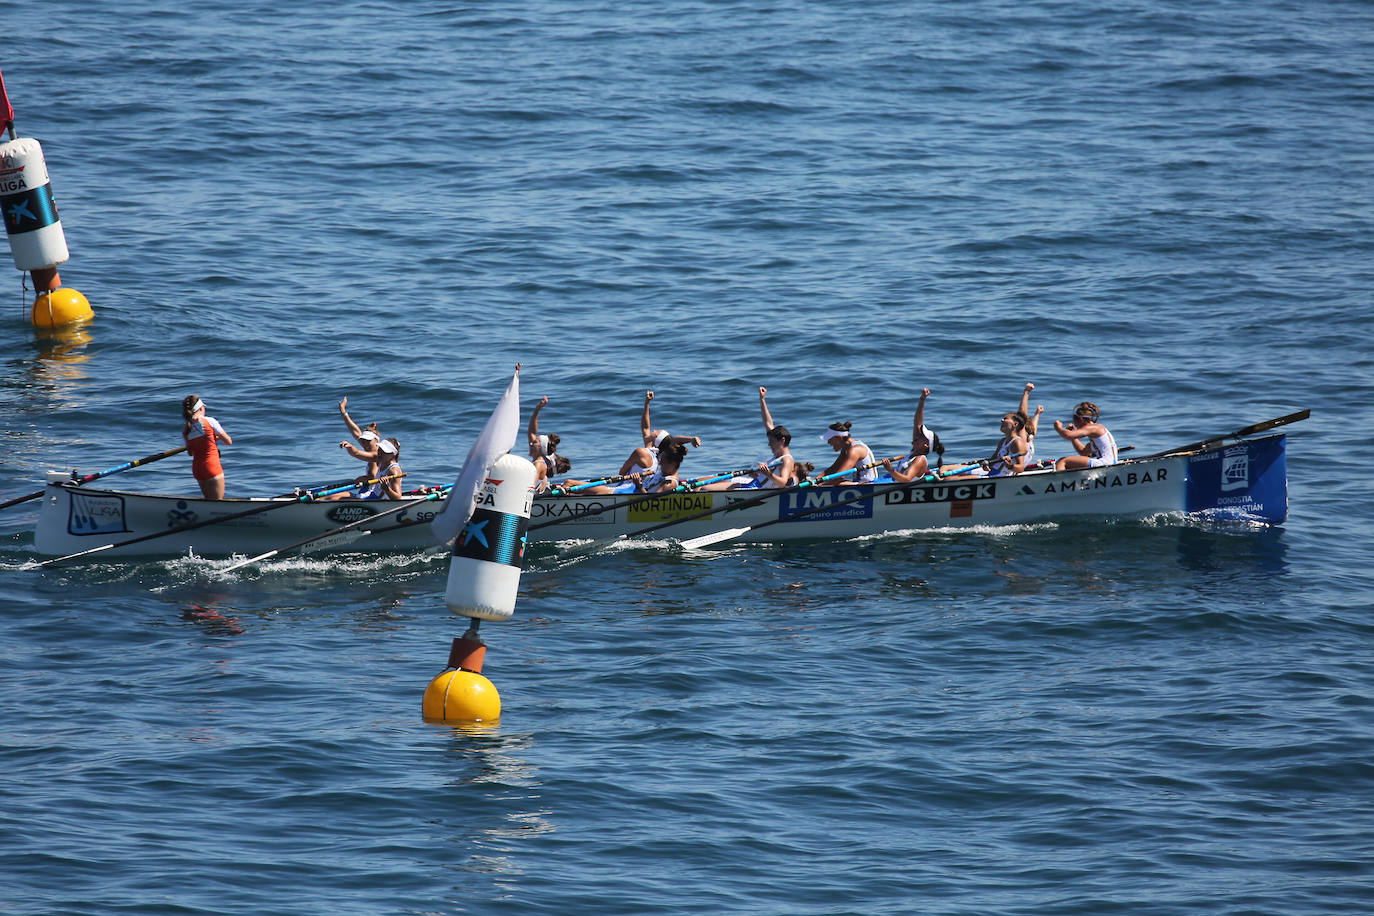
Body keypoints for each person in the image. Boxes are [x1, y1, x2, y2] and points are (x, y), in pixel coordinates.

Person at [700, 387, 797, 490]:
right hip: (752, 482)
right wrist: (762, 399)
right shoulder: (777, 456)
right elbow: (768, 423)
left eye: (772, 442)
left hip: (753, 488)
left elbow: (782, 483)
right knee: (709, 481)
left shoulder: (787, 460)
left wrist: (768, 473)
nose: (769, 445)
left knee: (704, 489)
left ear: (782, 440)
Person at [880, 388, 945, 483]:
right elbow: (917, 423)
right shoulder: (914, 452)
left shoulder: (920, 459)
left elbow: (907, 479)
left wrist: (891, 470)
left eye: (922, 436)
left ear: (926, 445)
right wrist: (922, 399)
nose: (918, 435)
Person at [182, 395, 232, 499]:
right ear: (200, 408)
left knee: (208, 501)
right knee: (217, 503)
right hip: (211, 466)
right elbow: (228, 441)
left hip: (197, 468)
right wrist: (215, 438)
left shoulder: (187, 428)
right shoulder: (210, 421)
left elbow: (190, 453)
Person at [323, 437, 404, 500]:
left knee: (340, 498)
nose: (380, 453)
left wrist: (386, 488)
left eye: (384, 451)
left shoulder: (394, 471)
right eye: (380, 450)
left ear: (393, 454)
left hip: (376, 499)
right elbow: (357, 453)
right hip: (370, 494)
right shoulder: (380, 459)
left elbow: (398, 498)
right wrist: (350, 447)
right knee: (337, 495)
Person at [1053, 401, 1119, 470]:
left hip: (1105, 463)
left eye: (1075, 422)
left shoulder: (1093, 428)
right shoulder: (1096, 435)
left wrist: (1058, 428)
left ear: (1081, 419)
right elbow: (1083, 452)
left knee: (1062, 461)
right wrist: (1073, 437)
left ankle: (1058, 477)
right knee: (1069, 463)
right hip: (1110, 464)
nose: (1076, 426)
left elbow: (1067, 435)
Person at [527, 396, 569, 493]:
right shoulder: (540, 460)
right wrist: (537, 409)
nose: (530, 444)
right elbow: (532, 432)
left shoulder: (538, 464)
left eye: (535, 443)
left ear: (541, 448)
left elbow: (529, 488)